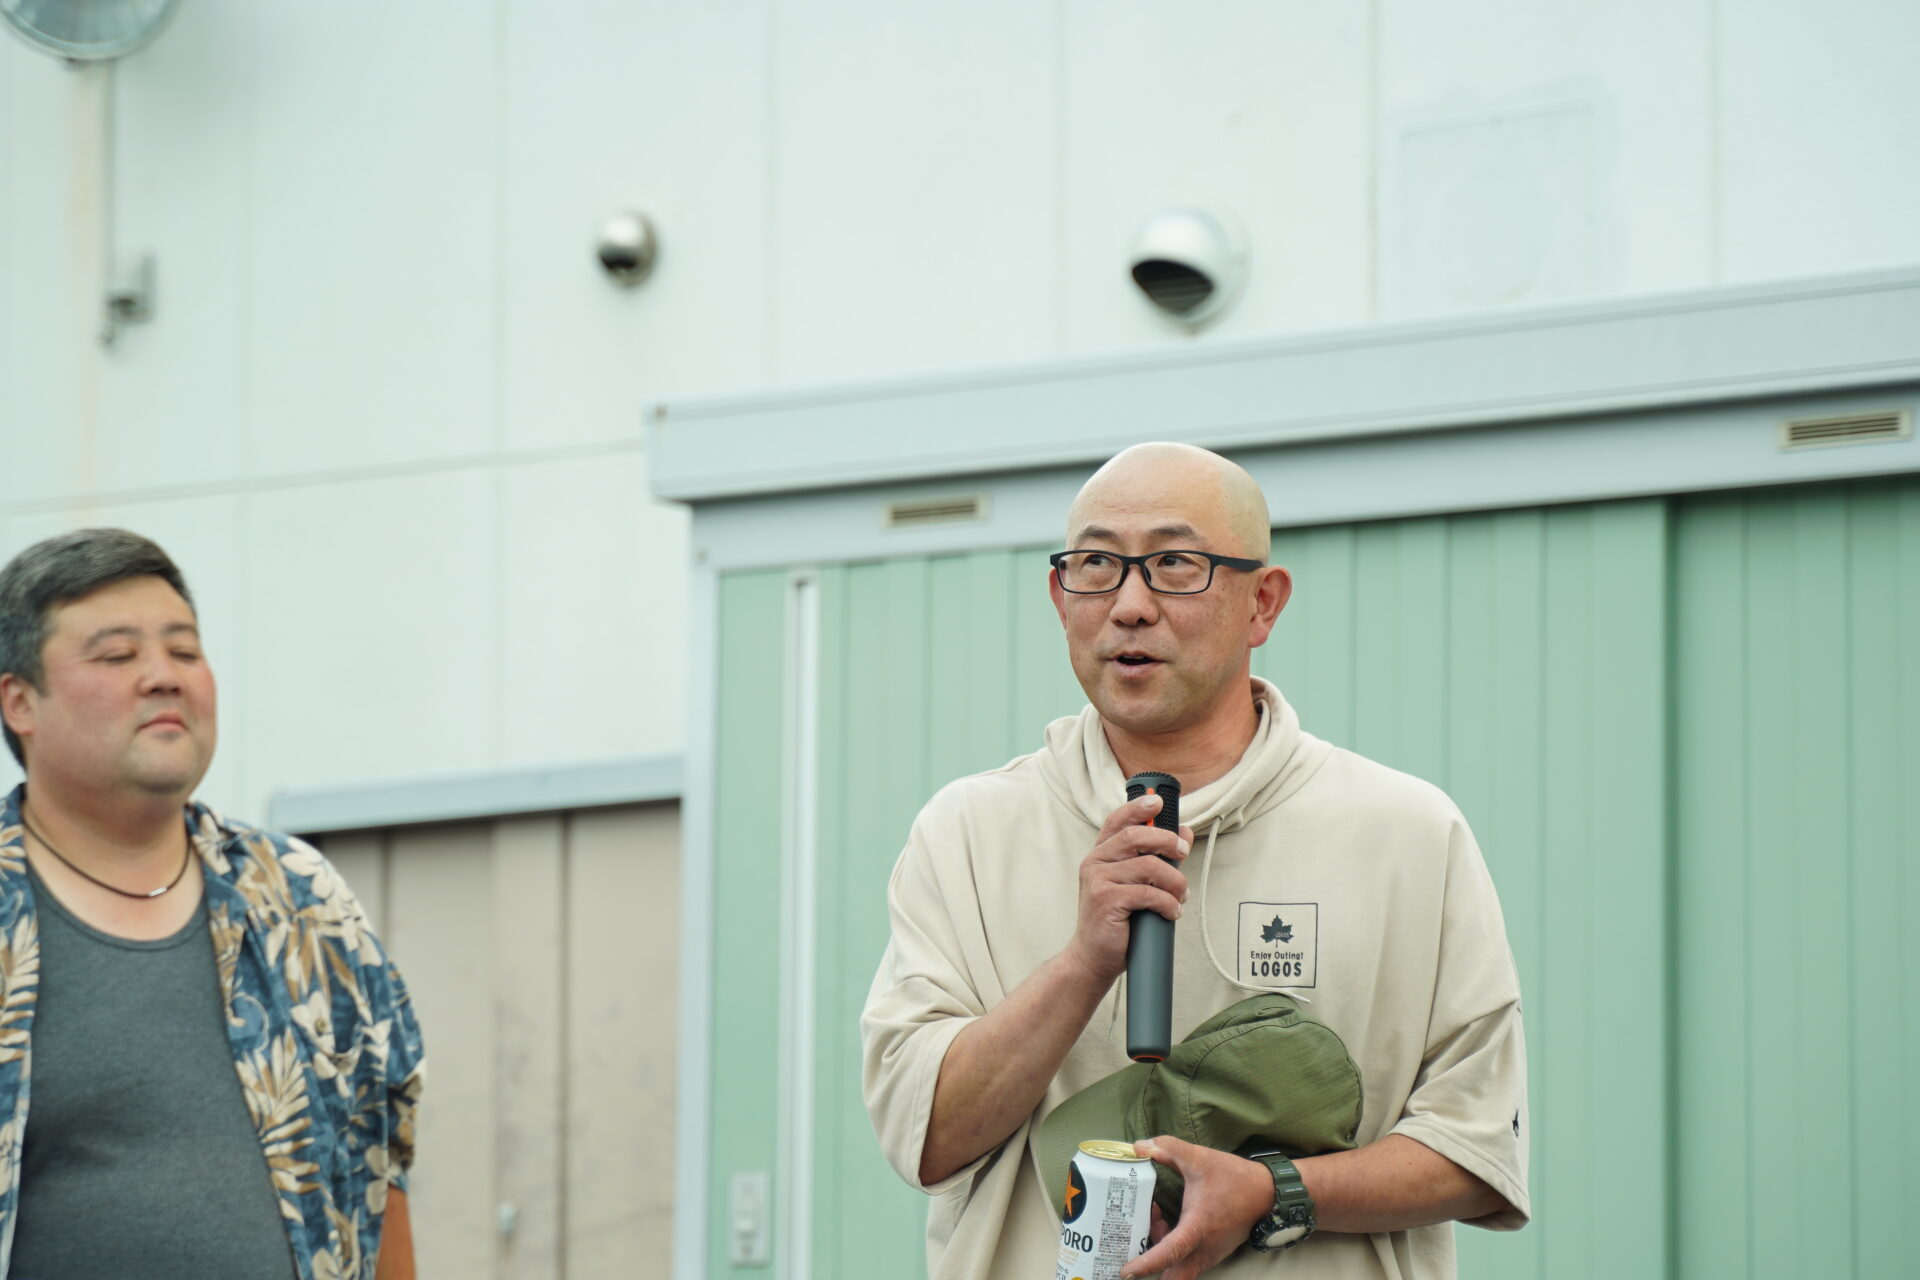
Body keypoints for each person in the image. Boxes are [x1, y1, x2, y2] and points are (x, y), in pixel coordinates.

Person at [861, 443, 1529, 1279]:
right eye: (1097, 566)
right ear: (1060, 598)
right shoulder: (968, 833)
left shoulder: (1407, 834)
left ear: (1263, 603)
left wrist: (1276, 1192)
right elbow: (924, 1138)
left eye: (1175, 564)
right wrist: (1081, 965)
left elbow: (1478, 1150)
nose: (1130, 605)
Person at [0, 529, 424, 1279]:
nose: (164, 677)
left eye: (185, 651)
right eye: (117, 655)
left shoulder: (303, 900)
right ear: (20, 701)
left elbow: (381, 1165)